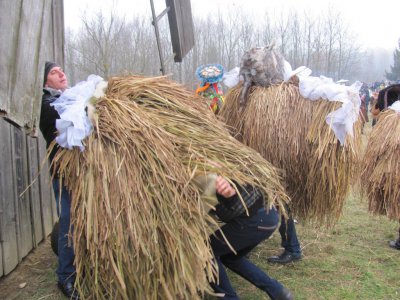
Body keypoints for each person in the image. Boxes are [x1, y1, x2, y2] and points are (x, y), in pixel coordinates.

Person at [209, 176, 294, 300]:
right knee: (231, 257)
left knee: (206, 251)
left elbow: (231, 196)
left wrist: (229, 193)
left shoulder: (214, 172)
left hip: (253, 219)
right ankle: (278, 292)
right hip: (267, 216)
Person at [39, 61, 79, 299]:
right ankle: (65, 277)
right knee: (69, 222)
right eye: (54, 72)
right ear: (45, 82)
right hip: (63, 175)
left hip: (78, 175)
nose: (62, 73)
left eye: (62, 70)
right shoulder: (47, 104)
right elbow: (68, 119)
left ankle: (80, 267)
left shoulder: (67, 98)